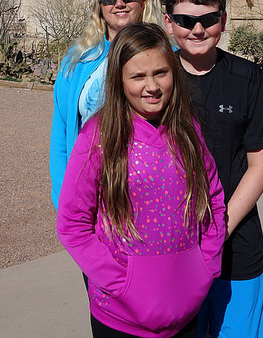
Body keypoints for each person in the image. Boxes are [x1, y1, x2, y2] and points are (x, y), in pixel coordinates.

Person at [57, 23, 227, 338]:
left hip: (186, 311)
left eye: (161, 72)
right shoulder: (98, 137)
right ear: (119, 81)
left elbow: (214, 200)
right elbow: (72, 225)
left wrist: (207, 265)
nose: (151, 86)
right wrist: (121, 283)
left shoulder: (188, 130)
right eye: (137, 76)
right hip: (120, 318)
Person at [163, 0, 263, 338]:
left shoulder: (247, 77)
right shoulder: (156, 80)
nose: (197, 29)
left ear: (223, 21)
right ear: (169, 23)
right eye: (185, 20)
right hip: (171, 246)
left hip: (235, 241)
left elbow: (261, 162)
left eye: (208, 19)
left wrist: (218, 229)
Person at [49, 0, 157, 209]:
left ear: (142, 2)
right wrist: (63, 194)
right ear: (100, 7)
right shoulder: (79, 59)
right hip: (92, 181)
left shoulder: (164, 54)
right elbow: (62, 128)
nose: (119, 3)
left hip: (150, 182)